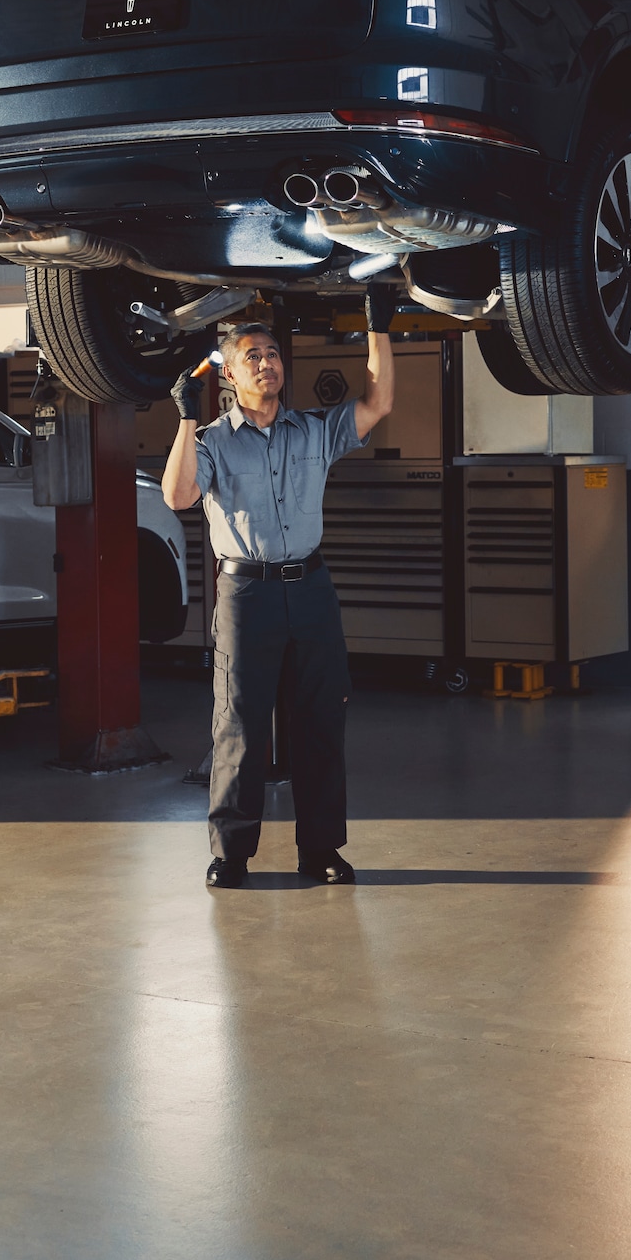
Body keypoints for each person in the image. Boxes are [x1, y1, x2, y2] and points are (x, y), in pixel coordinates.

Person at [161, 298, 394, 889]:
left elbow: (378, 402)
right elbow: (179, 496)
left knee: (319, 722)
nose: (266, 363)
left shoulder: (314, 430)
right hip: (246, 595)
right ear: (231, 376)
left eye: (271, 354)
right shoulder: (212, 440)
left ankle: (320, 851)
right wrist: (186, 420)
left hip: (311, 590)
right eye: (251, 357)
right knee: (239, 724)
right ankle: (231, 854)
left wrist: (379, 329)